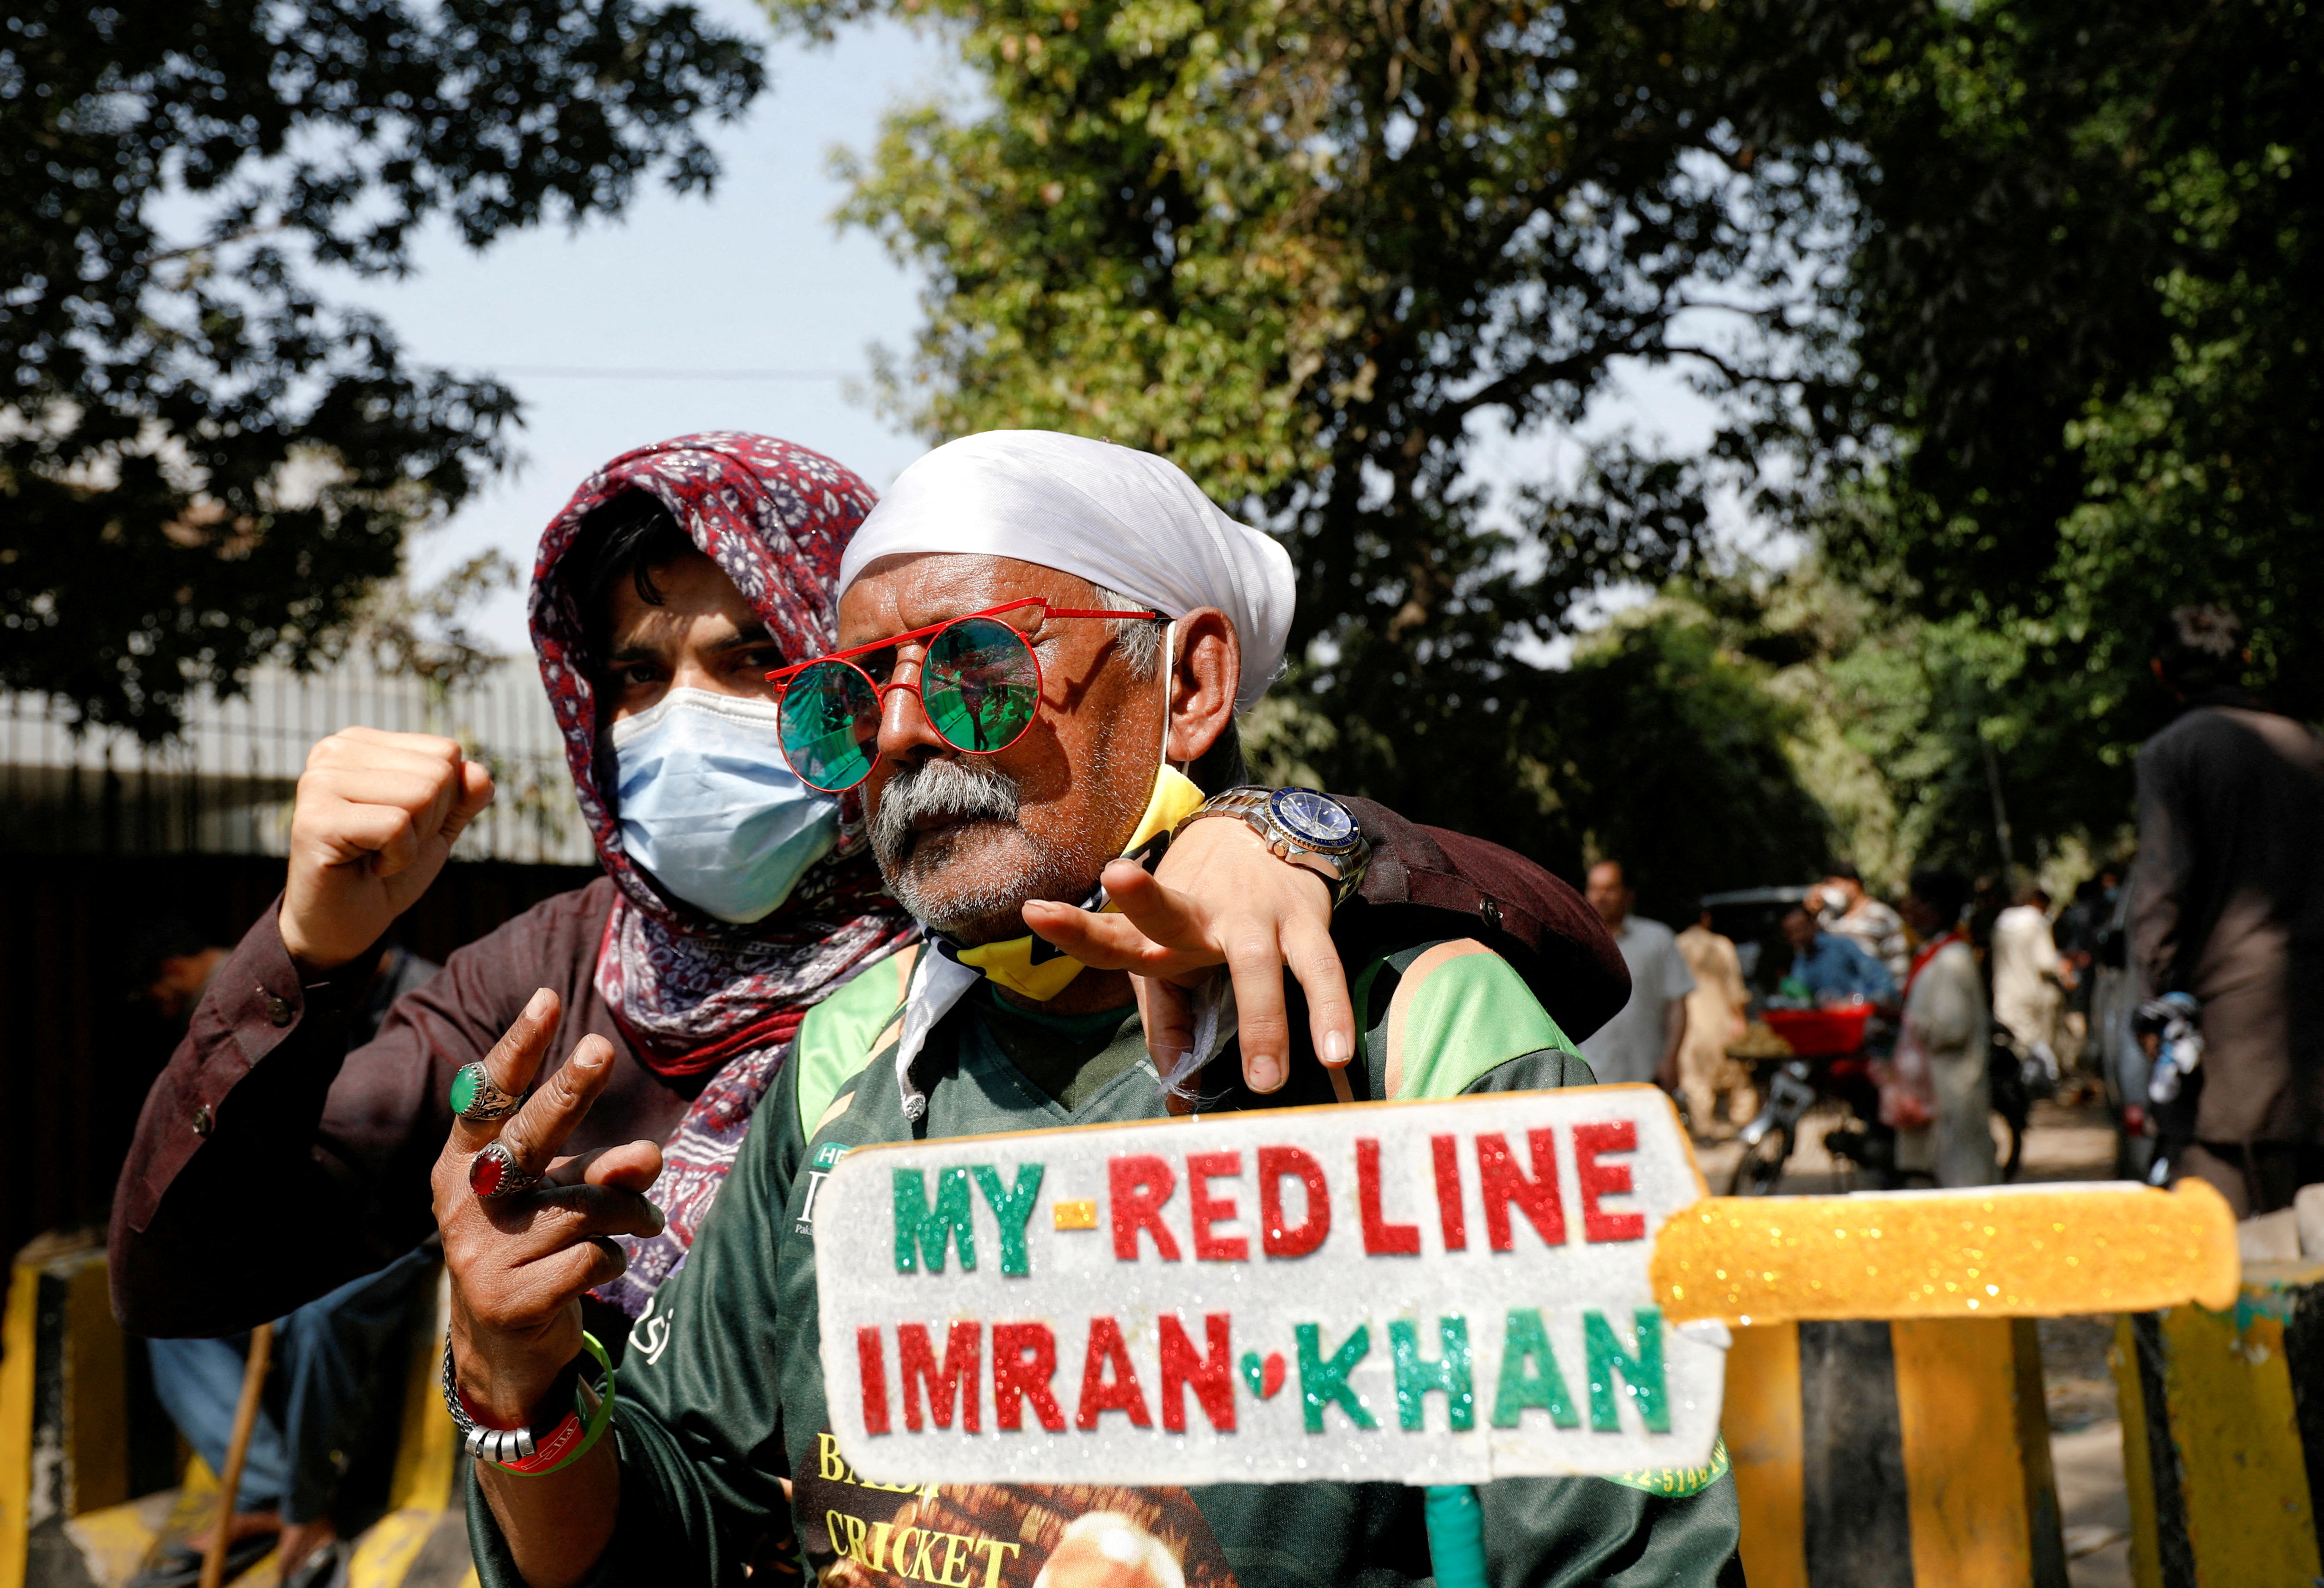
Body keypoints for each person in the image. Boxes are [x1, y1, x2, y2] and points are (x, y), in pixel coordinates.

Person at [436, 430, 1743, 1588]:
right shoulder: (852, 1054)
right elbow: (678, 1531)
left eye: (975, 666)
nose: (897, 735)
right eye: (850, 697)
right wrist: (521, 1382)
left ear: (1187, 688)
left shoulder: (1427, 1036)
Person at [112, 434, 1626, 1343]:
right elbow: (186, 1272)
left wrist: (1301, 828)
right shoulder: (549, 980)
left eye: (750, 662)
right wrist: (309, 940)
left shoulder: (1017, 917)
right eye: (634, 677)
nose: (678, 716)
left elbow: (1556, 957)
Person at [126, 931, 440, 1588]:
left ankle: (306, 1508)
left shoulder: (434, 999)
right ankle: (268, 1490)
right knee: (168, 1306)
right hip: (311, 1218)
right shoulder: (293, 997)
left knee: (321, 1315)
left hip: (407, 1221)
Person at [2131, 602, 2324, 1216]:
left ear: (2162, 671)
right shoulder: (2310, 745)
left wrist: (2154, 1004)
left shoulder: (2172, 752)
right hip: (2312, 1038)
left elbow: (2161, 889)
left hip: (2229, 1052)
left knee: (2227, 1258)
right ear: (2244, 661)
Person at [1893, 869, 1995, 1187]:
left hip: (1953, 1092)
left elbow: (1950, 1030)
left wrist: (1903, 1018)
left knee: (1961, 1184)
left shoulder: (1952, 961)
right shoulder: (1936, 955)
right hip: (1938, 1090)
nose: (1911, 913)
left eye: (1919, 905)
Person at [1576, 861, 1693, 1090]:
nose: (1601, 897)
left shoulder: (1657, 939)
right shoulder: (1573, 944)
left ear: (1629, 895)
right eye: (1595, 889)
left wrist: (1670, 1060)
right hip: (1592, 1078)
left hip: (1647, 1074)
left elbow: (1677, 1005)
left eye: (1610, 889)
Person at [1674, 906, 1751, 1137]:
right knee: (1738, 1077)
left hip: (1688, 1024)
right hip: (1723, 1020)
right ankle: (1742, 1124)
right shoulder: (1721, 945)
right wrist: (1741, 1019)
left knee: (1696, 1079)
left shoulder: (1674, 947)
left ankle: (1705, 1129)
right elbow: (1734, 987)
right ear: (1706, 919)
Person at [1990, 887, 2068, 1082]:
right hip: (2033, 992)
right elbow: (2046, 962)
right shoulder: (2035, 922)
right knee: (2037, 1042)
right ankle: (2044, 1083)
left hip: (2005, 994)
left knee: (2012, 1043)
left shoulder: (2001, 924)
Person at [1777, 905, 1895, 1005]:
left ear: (1813, 925)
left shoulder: (1842, 946)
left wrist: (1859, 999)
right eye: (1792, 933)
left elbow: (1881, 979)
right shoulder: (1800, 965)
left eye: (1801, 929)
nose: (1799, 936)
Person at [1813, 863, 1908, 986]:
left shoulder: (1882, 916)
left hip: (1875, 996)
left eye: (1833, 884)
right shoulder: (1827, 918)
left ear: (1852, 885)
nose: (1828, 891)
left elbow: (1898, 962)